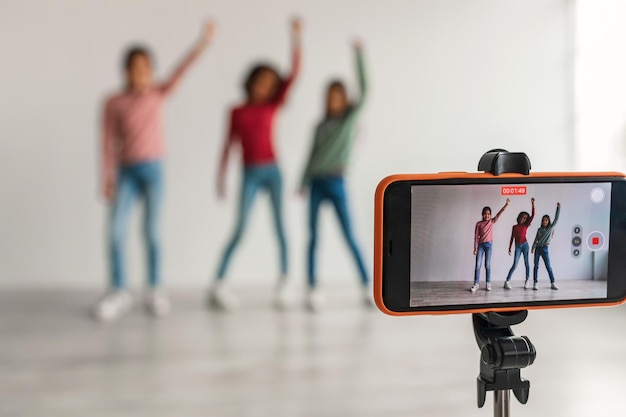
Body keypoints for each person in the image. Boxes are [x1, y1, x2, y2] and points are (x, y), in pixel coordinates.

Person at [93, 21, 217, 321]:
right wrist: (107, 177)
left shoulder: (158, 93)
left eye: (145, 67)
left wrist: (202, 42)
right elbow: (107, 142)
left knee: (151, 231)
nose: (140, 72)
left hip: (154, 169)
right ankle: (119, 290)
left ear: (151, 70)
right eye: (134, 67)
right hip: (126, 172)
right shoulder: (113, 102)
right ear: (125, 71)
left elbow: (182, 70)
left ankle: (154, 289)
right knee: (116, 231)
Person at [210, 19, 302, 310]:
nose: (264, 87)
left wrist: (296, 38)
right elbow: (228, 145)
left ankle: (286, 281)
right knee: (239, 229)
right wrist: (221, 177)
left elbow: (294, 75)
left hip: (273, 171)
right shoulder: (236, 111)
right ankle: (219, 283)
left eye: (270, 84)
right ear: (250, 81)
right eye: (260, 81)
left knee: (280, 228)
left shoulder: (271, 107)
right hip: (249, 173)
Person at [299, 40, 369, 311]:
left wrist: (359, 56)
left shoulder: (348, 123)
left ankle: (366, 284)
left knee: (350, 235)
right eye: (330, 96)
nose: (333, 101)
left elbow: (366, 91)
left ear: (345, 99)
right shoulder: (320, 126)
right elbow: (310, 155)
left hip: (337, 182)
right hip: (316, 182)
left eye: (338, 96)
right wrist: (302, 181)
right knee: (313, 237)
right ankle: (313, 286)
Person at [471, 199, 510, 292]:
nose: (487, 215)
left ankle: (488, 283)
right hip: (480, 245)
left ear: (490, 215)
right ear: (482, 214)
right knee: (478, 265)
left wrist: (506, 204)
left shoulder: (492, 221)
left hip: (489, 245)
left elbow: (499, 213)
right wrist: (475, 248)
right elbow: (476, 236)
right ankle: (476, 283)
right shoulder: (478, 224)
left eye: (488, 214)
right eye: (485, 214)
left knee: (487, 265)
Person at [504, 198, 535, 289]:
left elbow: (533, 216)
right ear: (519, 217)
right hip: (518, 246)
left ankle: (527, 280)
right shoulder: (514, 227)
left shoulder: (526, 225)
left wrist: (533, 204)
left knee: (527, 263)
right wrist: (509, 248)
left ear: (526, 220)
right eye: (522, 217)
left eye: (525, 218)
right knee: (515, 264)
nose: (523, 219)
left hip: (525, 245)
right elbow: (512, 238)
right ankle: (507, 281)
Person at [531, 202, 561, 290]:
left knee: (548, 266)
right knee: (536, 266)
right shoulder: (539, 229)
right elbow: (535, 239)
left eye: (546, 220)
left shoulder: (550, 228)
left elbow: (556, 219)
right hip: (537, 248)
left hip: (545, 248)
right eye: (543, 220)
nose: (544, 221)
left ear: (548, 221)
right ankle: (535, 283)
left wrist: (558, 208)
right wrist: (533, 248)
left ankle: (553, 282)